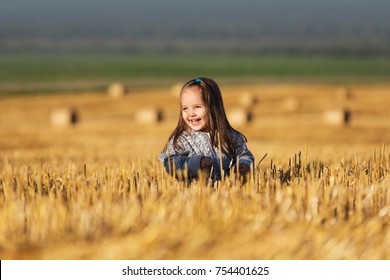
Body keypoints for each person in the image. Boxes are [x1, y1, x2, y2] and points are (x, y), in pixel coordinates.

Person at [159, 77, 254, 183]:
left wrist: (244, 165)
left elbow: (244, 155)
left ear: (214, 108)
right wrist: (197, 163)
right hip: (195, 195)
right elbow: (171, 164)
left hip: (227, 194)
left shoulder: (230, 137)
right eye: (185, 108)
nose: (191, 113)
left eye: (197, 107)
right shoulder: (181, 139)